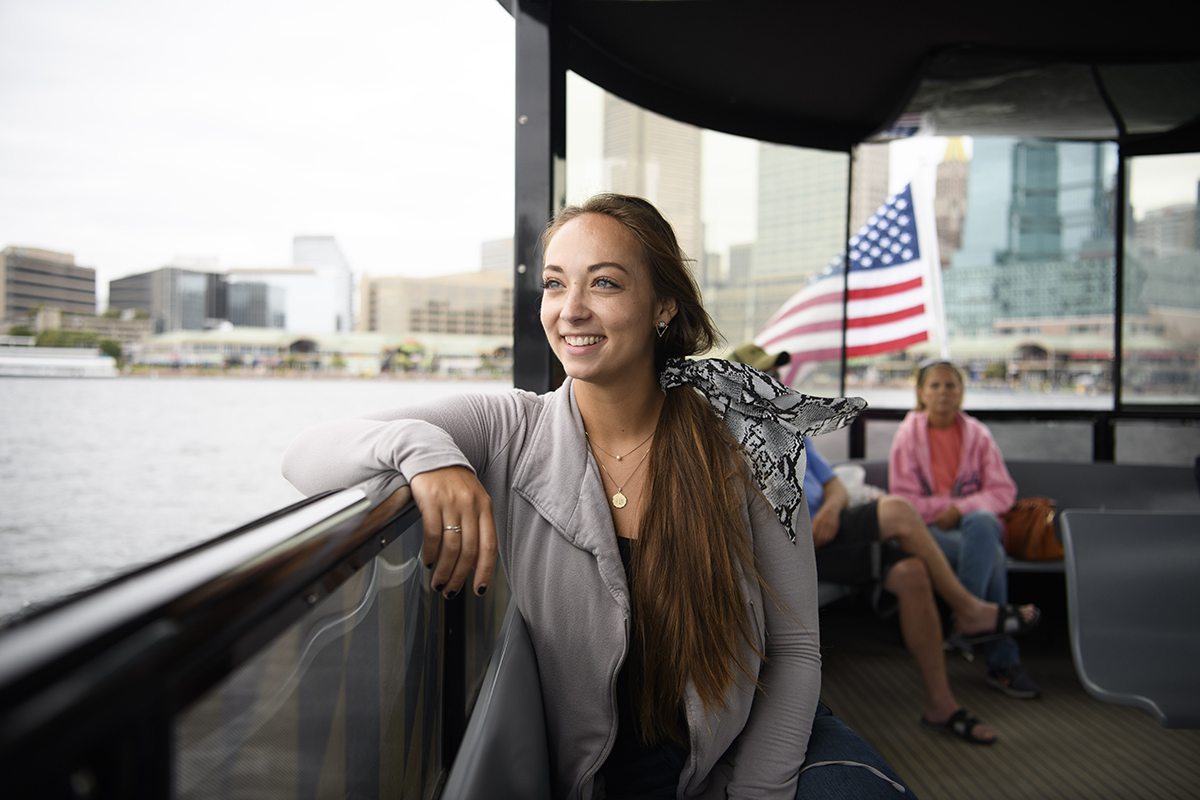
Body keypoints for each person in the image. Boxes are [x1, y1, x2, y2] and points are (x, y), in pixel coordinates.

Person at [282, 194, 912, 799]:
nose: (571, 309)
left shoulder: (743, 441)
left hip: (751, 751)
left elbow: (795, 650)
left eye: (604, 283)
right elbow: (305, 455)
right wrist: (429, 456)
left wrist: (756, 792)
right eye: (555, 284)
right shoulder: (511, 428)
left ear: (663, 306)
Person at [889, 358, 1043, 700]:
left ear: (961, 392)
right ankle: (1001, 660)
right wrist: (946, 511)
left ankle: (965, 619)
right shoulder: (907, 436)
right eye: (935, 385)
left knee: (983, 521)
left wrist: (960, 510)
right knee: (995, 557)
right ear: (921, 393)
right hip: (928, 531)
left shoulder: (978, 434)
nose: (943, 392)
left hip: (975, 528)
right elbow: (903, 500)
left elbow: (1003, 491)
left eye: (951, 385)